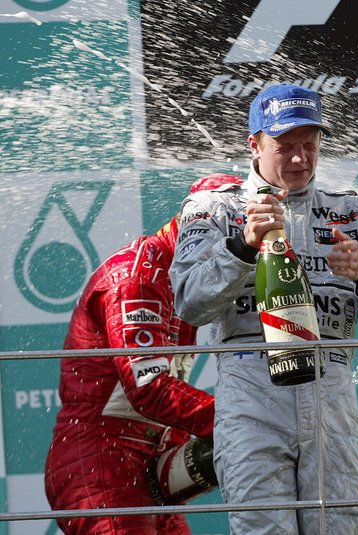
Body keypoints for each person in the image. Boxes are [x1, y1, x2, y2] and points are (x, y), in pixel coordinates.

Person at [169, 83, 358, 534]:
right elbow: (188, 303)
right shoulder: (215, 206)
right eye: (284, 146)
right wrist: (242, 246)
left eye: (310, 146)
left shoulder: (354, 211)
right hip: (252, 393)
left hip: (330, 393)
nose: (299, 159)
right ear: (254, 144)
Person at [44, 173, 243, 534]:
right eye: (231, 235)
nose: (238, 251)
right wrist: (238, 422)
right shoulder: (136, 276)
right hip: (100, 463)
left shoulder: (188, 281)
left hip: (148, 468)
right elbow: (148, 387)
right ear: (194, 224)